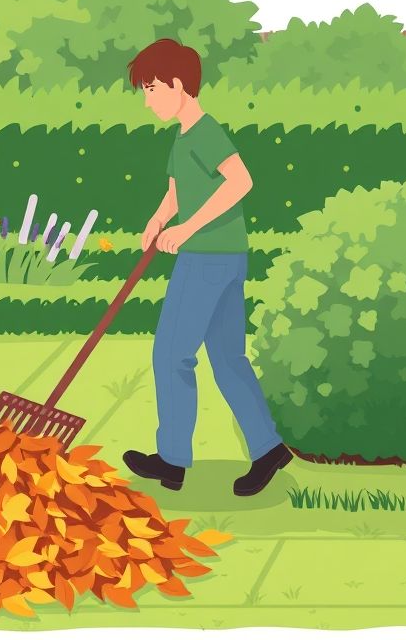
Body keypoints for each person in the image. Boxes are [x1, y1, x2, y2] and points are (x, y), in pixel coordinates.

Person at [122, 38, 293, 497]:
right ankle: (268, 447)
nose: (148, 98)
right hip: (226, 255)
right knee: (227, 358)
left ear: (179, 84)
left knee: (171, 353)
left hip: (207, 258)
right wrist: (159, 220)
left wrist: (188, 230)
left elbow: (241, 181)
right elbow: (180, 191)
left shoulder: (207, 131)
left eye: (153, 88)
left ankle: (173, 460)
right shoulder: (183, 136)